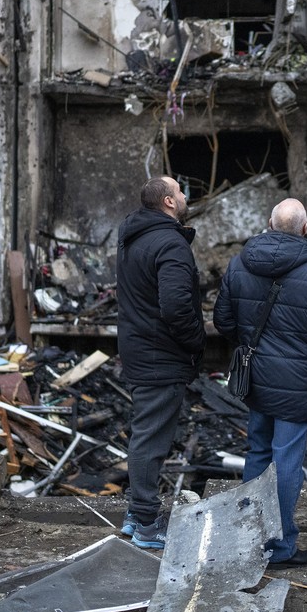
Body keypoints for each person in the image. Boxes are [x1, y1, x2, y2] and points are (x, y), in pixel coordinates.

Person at [214, 197, 307, 568]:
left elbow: (223, 321)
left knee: (258, 451)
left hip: (256, 378)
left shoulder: (239, 264)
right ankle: (280, 546)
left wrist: (248, 344)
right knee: (286, 458)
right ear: (305, 229)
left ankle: (249, 537)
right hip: (301, 383)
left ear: (269, 225)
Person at [115, 175, 205, 550]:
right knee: (151, 439)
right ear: (169, 202)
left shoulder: (132, 239)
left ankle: (137, 515)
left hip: (140, 349)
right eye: (180, 192)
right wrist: (195, 341)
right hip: (160, 355)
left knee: (145, 433)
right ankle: (148, 522)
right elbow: (175, 306)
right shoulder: (169, 242)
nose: (185, 197)